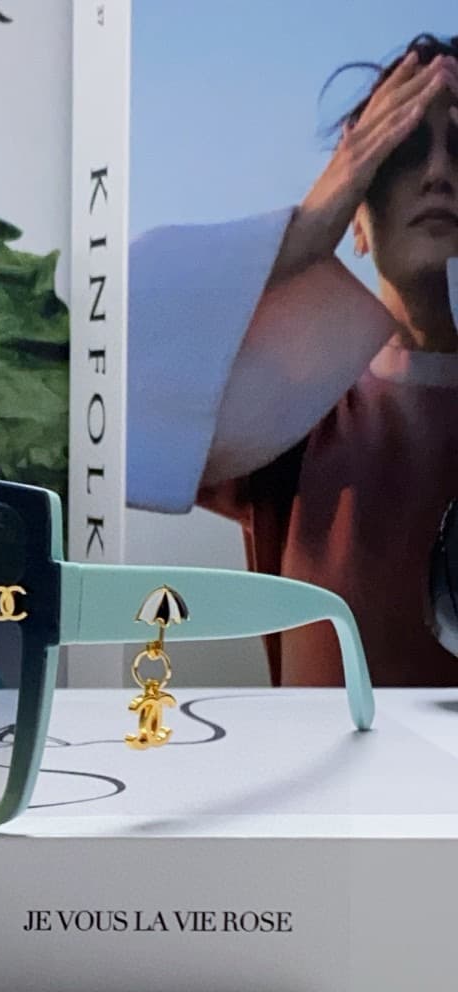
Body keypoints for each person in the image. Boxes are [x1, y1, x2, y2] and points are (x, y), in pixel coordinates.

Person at [128, 34, 458, 685]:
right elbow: (98, 373)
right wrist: (305, 230)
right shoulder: (300, 411)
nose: (439, 173)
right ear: (357, 218)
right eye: (402, 148)